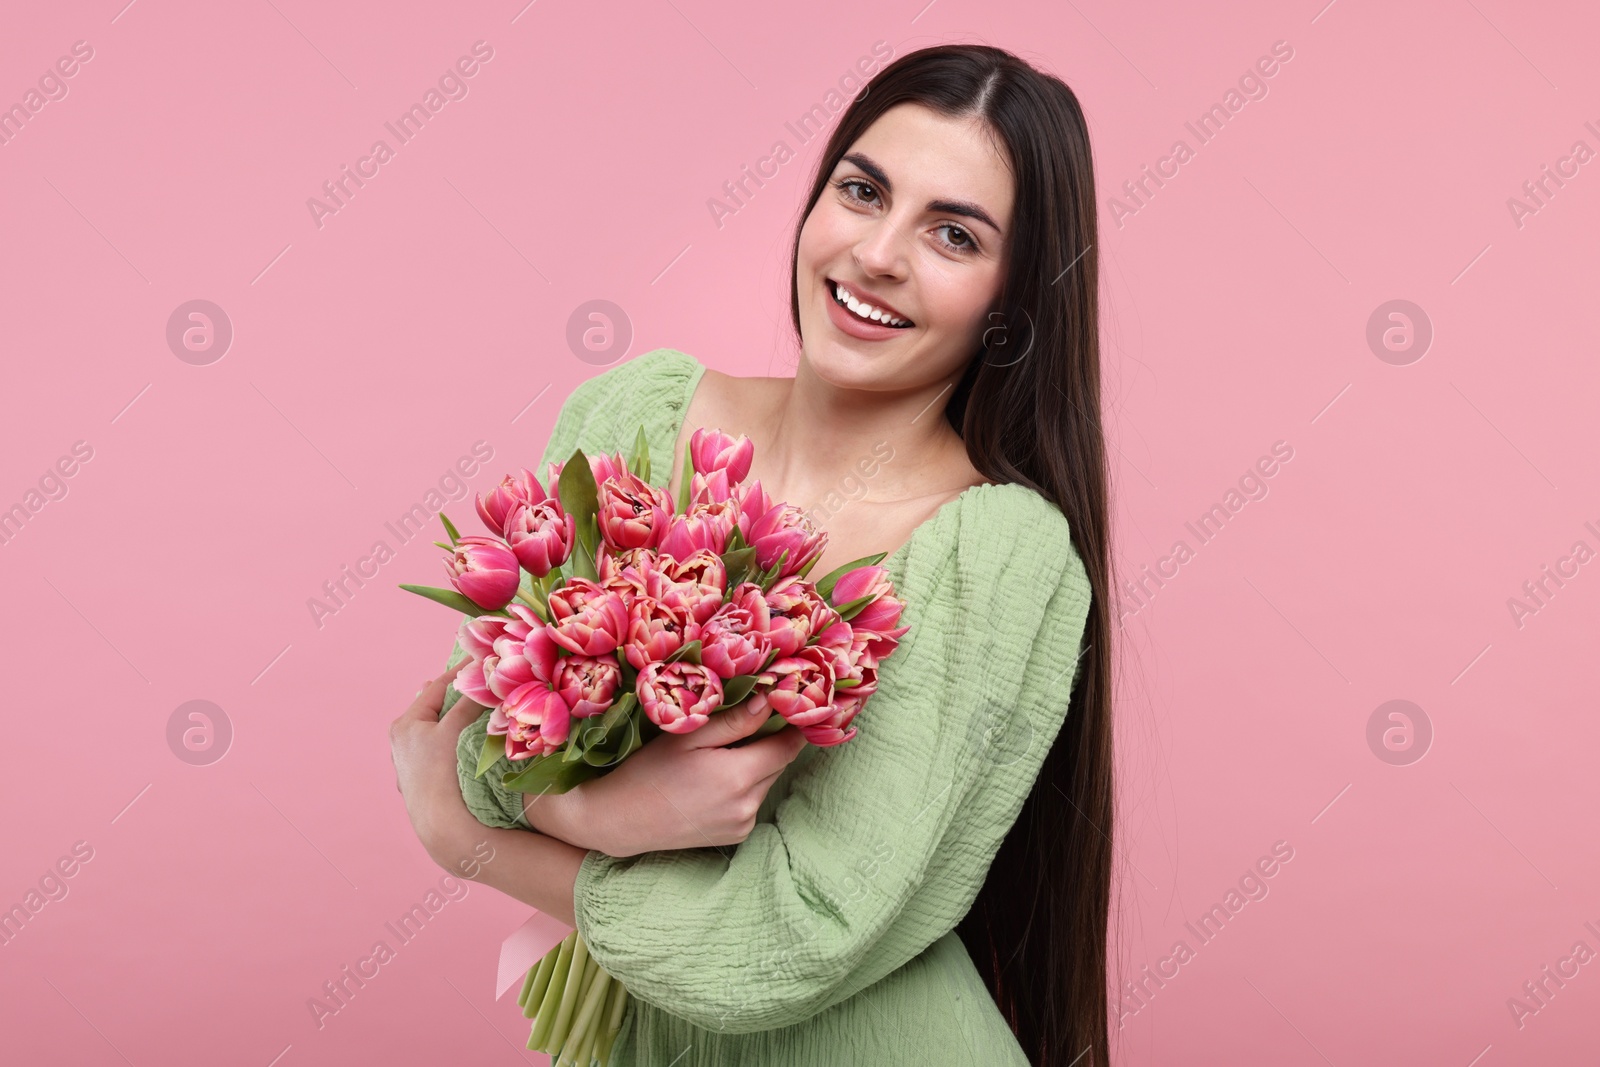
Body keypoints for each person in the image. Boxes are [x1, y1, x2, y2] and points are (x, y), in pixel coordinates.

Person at [391, 43, 1114, 1066]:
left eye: (952, 234)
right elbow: (481, 739)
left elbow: (787, 939)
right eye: (862, 191)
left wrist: (480, 848)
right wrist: (597, 806)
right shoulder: (636, 415)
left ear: (1013, 300)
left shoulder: (994, 552)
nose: (878, 254)